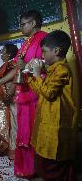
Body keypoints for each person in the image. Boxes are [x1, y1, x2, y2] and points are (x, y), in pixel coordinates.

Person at [27, 30, 77, 181]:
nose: (42, 56)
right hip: (48, 122)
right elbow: (42, 91)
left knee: (54, 164)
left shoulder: (62, 69)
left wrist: (37, 74)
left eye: (44, 51)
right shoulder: (52, 70)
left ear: (56, 51)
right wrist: (30, 76)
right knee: (44, 163)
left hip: (58, 125)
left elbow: (48, 93)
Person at [14, 10, 48, 178]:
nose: (21, 27)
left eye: (23, 24)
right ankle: (27, 169)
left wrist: (25, 65)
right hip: (25, 93)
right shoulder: (26, 42)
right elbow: (17, 65)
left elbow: (48, 64)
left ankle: (39, 170)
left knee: (35, 133)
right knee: (24, 133)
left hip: (37, 94)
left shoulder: (44, 38)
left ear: (33, 23)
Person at [0, 44, 18, 160]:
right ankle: (7, 150)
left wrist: (10, 90)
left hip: (11, 100)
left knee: (13, 126)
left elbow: (15, 78)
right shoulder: (4, 67)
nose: (1, 54)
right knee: (5, 126)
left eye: (3, 51)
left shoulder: (12, 65)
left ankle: (14, 152)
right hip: (3, 102)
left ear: (9, 53)